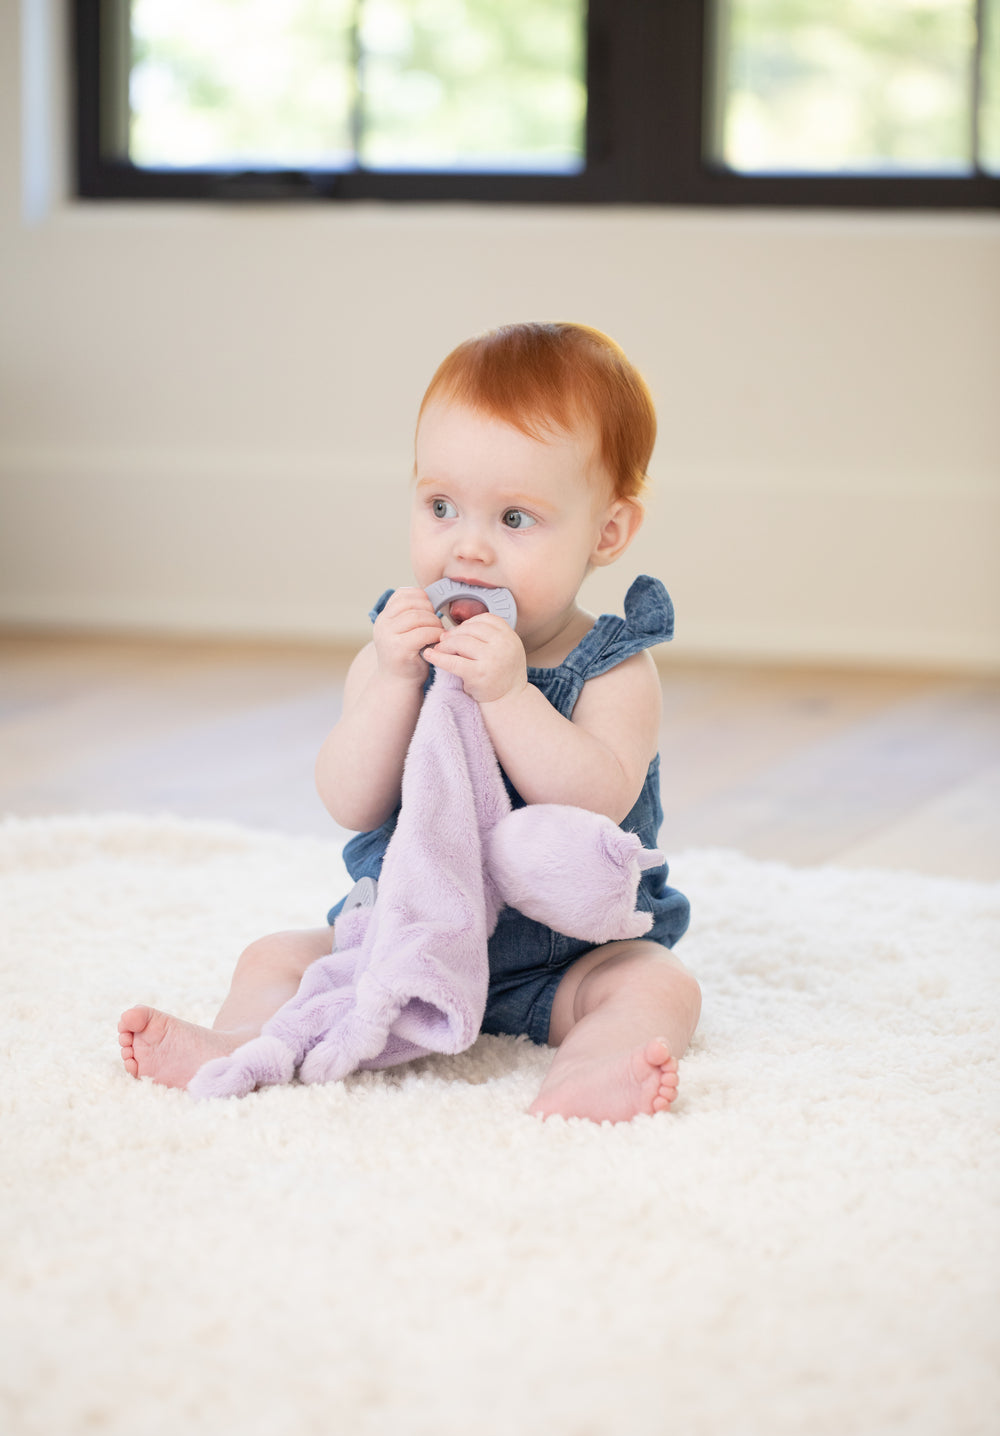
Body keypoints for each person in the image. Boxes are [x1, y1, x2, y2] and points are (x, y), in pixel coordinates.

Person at [119, 322, 701, 1123]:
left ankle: (592, 1066)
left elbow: (596, 796)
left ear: (607, 533)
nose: (468, 548)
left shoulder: (615, 668)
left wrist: (508, 696)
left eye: (516, 520)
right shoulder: (401, 649)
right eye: (440, 506)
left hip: (562, 961)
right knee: (275, 955)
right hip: (400, 944)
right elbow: (350, 800)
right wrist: (396, 681)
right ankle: (240, 1040)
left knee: (657, 984)